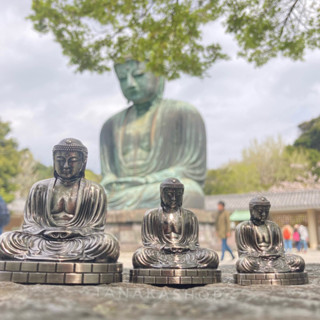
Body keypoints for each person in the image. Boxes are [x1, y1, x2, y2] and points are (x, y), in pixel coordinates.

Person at [100, 59, 207, 210]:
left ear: (158, 75)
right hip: (120, 191)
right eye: (123, 78)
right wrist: (112, 182)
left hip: (159, 188)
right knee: (91, 196)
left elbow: (191, 170)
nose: (130, 83)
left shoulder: (184, 113)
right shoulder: (110, 125)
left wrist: (146, 180)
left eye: (138, 75)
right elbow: (108, 175)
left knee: (188, 192)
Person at [0, 138, 119, 262]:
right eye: (60, 160)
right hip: (44, 239)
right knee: (5, 240)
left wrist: (72, 232)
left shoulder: (94, 190)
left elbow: (96, 227)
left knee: (107, 243)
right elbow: (30, 224)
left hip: (77, 240)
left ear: (83, 162)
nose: (65, 165)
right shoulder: (39, 188)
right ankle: (68, 257)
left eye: (72, 161)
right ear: (54, 161)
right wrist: (47, 231)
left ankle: (40, 256)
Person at [132, 178, 219, 268]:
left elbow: (194, 243)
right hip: (161, 253)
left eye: (178, 195)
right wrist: (164, 247)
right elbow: (149, 241)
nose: (174, 198)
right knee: (140, 255)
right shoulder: (151, 215)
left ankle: (169, 265)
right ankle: (184, 265)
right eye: (170, 194)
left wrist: (184, 248)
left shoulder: (190, 216)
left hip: (185, 254)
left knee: (211, 256)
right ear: (162, 195)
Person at [236, 196, 305, 273]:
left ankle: (268, 268)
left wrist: (273, 254)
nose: (263, 214)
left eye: (266, 211)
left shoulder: (274, 226)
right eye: (260, 211)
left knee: (298, 261)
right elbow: (244, 251)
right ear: (252, 210)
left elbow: (279, 248)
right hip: (256, 259)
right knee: (244, 263)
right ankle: (272, 268)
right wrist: (260, 255)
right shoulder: (244, 227)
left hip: (274, 258)